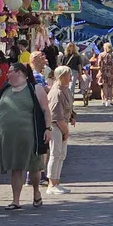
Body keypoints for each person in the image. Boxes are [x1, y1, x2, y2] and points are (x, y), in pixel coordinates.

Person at [0, 63, 51, 210]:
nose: (7, 74)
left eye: (10, 71)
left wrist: (48, 129)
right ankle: (16, 200)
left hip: (30, 135)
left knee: (34, 167)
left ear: (19, 72)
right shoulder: (5, 89)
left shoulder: (35, 88)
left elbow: (45, 110)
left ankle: (36, 192)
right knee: (15, 167)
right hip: (9, 137)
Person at [46, 66, 75, 195]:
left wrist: (73, 116)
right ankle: (51, 184)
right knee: (55, 154)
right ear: (62, 77)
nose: (71, 78)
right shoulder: (56, 92)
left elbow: (69, 107)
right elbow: (56, 116)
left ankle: (57, 182)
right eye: (68, 75)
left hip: (63, 124)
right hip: (56, 126)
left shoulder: (65, 89)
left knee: (61, 155)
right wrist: (66, 132)